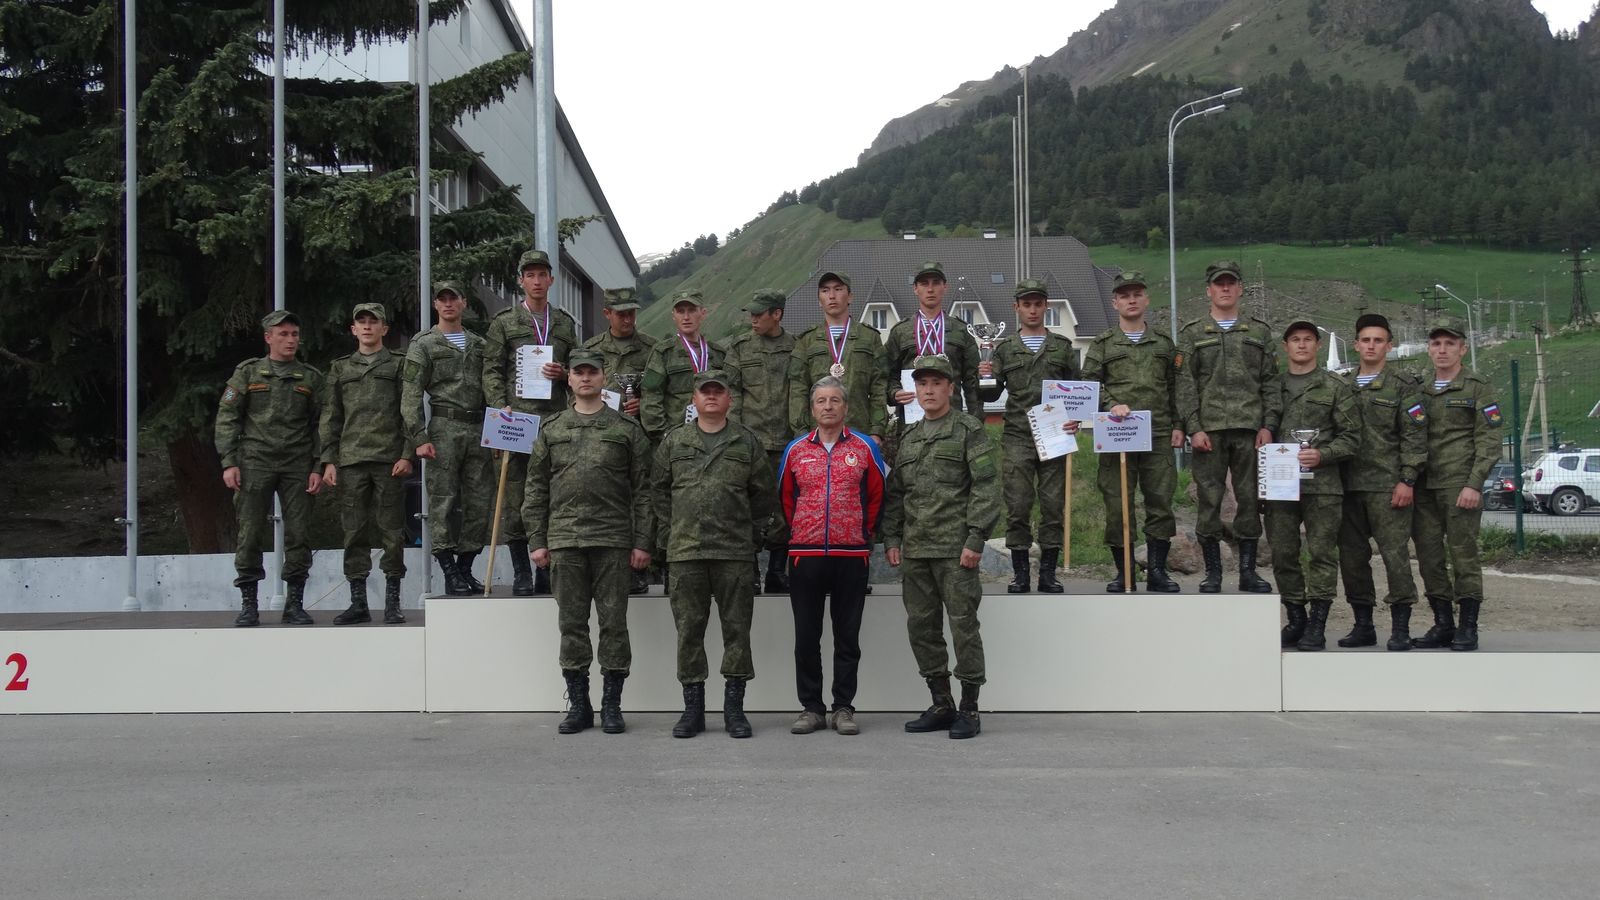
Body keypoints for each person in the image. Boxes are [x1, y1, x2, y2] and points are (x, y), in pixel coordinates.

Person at [522, 349, 654, 734]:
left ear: (603, 378)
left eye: (592, 373)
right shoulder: (552, 429)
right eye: (578, 373)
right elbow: (535, 489)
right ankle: (579, 705)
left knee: (614, 625)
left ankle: (611, 706)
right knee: (572, 625)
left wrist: (643, 541)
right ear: (569, 380)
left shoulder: (627, 430)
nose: (585, 379)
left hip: (612, 539)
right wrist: (537, 539)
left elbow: (643, 492)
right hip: (564, 540)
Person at [883, 355, 1001, 740]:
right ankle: (941, 702)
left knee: (964, 627)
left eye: (936, 383)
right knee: (923, 629)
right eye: (922, 384)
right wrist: (892, 538)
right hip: (916, 551)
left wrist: (976, 538)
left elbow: (986, 486)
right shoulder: (910, 437)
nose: (929, 390)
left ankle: (969, 708)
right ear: (915, 391)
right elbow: (897, 493)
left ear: (950, 388)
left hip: (956, 551)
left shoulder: (968, 430)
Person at [652, 371, 776, 739]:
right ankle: (693, 710)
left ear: (729, 400)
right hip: (686, 552)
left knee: (737, 632)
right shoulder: (674, 441)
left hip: (733, 552)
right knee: (689, 631)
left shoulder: (745, 442)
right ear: (693, 399)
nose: (711, 397)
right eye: (704, 392)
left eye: (717, 392)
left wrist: (747, 533)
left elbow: (763, 495)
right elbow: (659, 492)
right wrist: (673, 531)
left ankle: (734, 710)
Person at [776, 376, 888, 736]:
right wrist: (802, 532)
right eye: (821, 401)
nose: (828, 406)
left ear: (846, 407)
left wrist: (860, 533)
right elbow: (785, 499)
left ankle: (843, 707)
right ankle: (811, 707)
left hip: (851, 554)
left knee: (847, 635)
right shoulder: (795, 450)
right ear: (812, 409)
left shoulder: (865, 447)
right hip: (805, 556)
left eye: (835, 400)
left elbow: (876, 496)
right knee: (806, 637)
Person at [1175, 261, 1281, 593]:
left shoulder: (1259, 333)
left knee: (1250, 500)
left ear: (1239, 289)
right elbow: (1185, 385)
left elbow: (1271, 382)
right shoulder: (1193, 333)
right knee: (1209, 499)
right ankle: (1214, 573)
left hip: (1250, 430)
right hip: (1210, 431)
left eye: (1230, 283)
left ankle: (1248, 572)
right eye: (1218, 284)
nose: (1224, 288)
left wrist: (1269, 425)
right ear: (1209, 290)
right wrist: (1194, 427)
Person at [215, 309, 325, 626]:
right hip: (254, 461)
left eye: (294, 334)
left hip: (298, 464)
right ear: (268, 338)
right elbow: (227, 418)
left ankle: (295, 603)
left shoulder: (310, 377)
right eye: (283, 334)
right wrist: (229, 462)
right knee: (249, 533)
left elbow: (323, 425)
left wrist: (318, 466)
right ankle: (249, 603)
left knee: (299, 535)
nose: (290, 340)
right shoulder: (247, 374)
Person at [1081, 272, 1183, 593]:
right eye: (1124, 295)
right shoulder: (1102, 344)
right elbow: (1088, 384)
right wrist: (1111, 404)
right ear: (1115, 303)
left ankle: (1156, 571)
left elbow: (1177, 387)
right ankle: (1124, 572)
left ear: (1146, 298)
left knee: (1160, 503)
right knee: (1117, 504)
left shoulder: (1165, 344)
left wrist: (1180, 426)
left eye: (1137, 294)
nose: (1131, 300)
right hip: (1116, 436)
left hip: (1157, 435)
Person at [482, 249, 577, 596]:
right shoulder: (504, 323)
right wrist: (498, 405)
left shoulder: (564, 324)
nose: (537, 281)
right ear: (521, 281)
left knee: (552, 494)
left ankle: (546, 570)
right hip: (516, 419)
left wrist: (564, 373)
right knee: (514, 495)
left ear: (551, 280)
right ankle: (522, 570)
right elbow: (491, 369)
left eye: (542, 275)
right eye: (530, 275)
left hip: (554, 420)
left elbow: (580, 369)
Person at [977, 277, 1079, 593]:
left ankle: (1048, 573)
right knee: (1018, 503)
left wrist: (1076, 416)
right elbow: (991, 396)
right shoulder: (1005, 349)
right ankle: (1020, 573)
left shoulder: (1062, 347)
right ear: (1016, 308)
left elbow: (1079, 391)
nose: (1033, 310)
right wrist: (986, 375)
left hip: (1055, 434)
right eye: (1027, 304)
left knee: (1052, 504)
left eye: (1038, 304)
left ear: (1045, 307)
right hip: (1019, 435)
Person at [1264, 322, 1360, 651]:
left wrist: (1323, 454)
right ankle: (1296, 618)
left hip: (1323, 484)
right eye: (1295, 340)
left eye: (1307, 340)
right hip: (1280, 485)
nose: (1301, 345)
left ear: (1317, 345)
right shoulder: (1273, 387)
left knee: (1321, 554)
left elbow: (1352, 438)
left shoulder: (1335, 386)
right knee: (1283, 553)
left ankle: (1318, 623)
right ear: (1286, 347)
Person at [1336, 313, 1428, 651]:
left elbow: (1415, 437)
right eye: (1365, 339)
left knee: (1395, 557)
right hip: (1347, 487)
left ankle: (1400, 626)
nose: (1371, 345)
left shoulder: (1403, 386)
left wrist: (1407, 479)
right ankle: (1363, 625)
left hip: (1388, 487)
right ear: (1356, 344)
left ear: (1388, 346)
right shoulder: (1341, 386)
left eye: (1378, 340)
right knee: (1352, 558)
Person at [319, 302, 414, 625]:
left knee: (392, 532)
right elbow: (331, 417)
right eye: (362, 322)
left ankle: (392, 602)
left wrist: (406, 453)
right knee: (353, 531)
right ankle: (358, 600)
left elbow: (410, 411)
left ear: (385, 329)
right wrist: (328, 460)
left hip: (389, 460)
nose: (368, 327)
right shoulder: (341, 368)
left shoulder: (399, 364)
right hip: (352, 460)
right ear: (354, 329)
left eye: (374, 322)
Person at [1411, 319, 1501, 652]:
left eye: (1450, 344)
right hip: (1423, 486)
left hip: (1459, 485)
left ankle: (1468, 626)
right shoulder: (1419, 388)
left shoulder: (1478, 387)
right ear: (1429, 349)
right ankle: (1443, 623)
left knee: (1464, 555)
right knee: (1429, 558)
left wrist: (1474, 483)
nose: (1442, 350)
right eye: (1436, 344)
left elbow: (1490, 439)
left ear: (1462, 348)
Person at [402, 281, 493, 596]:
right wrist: (419, 436)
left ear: (463, 302)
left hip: (479, 428)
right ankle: (448, 569)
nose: (448, 304)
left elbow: (492, 387)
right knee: (442, 500)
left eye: (453, 298)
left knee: (481, 502)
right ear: (435, 305)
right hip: (443, 427)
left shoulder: (480, 344)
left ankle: (465, 567)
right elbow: (411, 394)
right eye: (442, 299)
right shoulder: (424, 344)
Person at [583, 286, 659, 595]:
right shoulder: (591, 349)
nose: (627, 318)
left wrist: (645, 403)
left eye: (631, 312)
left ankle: (641, 568)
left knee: (642, 498)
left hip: (639, 436)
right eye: (620, 313)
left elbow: (659, 392)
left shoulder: (653, 349)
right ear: (607, 314)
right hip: (602, 437)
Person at [725, 289, 798, 594]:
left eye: (759, 314)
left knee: (786, 507)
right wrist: (739, 436)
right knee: (749, 508)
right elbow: (733, 391)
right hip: (750, 441)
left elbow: (800, 390)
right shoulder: (740, 348)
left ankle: (778, 572)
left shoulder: (796, 347)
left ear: (776, 314)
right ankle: (751, 570)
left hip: (787, 441)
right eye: (751, 314)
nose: (753, 319)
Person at [882, 260, 981, 460]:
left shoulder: (961, 331)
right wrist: (894, 393)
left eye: (936, 282)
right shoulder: (900, 332)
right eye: (924, 283)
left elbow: (973, 381)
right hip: (911, 420)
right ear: (915, 289)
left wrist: (976, 422)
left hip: (953, 420)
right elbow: (884, 374)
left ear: (945, 287)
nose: (930, 289)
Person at [786, 271, 888, 442]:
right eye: (825, 291)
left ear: (850, 297)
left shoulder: (870, 337)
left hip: (859, 433)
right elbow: (798, 390)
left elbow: (879, 387)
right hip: (816, 435)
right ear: (819, 301)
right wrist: (802, 434)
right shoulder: (806, 341)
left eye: (838, 289)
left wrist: (876, 432)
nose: (832, 296)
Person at [641, 289, 728, 445]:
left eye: (692, 310)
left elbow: (729, 395)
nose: (686, 317)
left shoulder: (718, 353)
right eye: (681, 311)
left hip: (715, 438)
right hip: (676, 440)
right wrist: (664, 435)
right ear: (673, 315)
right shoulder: (663, 352)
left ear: (703, 313)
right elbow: (650, 397)